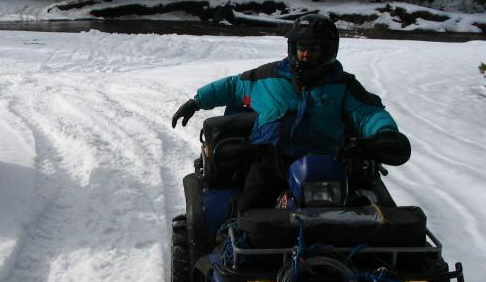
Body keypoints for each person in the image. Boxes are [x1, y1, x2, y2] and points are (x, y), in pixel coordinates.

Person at [171, 13, 404, 212]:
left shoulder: (343, 85)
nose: (305, 55)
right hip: (270, 159)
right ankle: (233, 245)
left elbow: (367, 113)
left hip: (325, 161)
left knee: (360, 210)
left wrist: (385, 133)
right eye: (301, 48)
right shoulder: (268, 77)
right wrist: (197, 101)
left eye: (313, 50)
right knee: (249, 208)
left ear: (329, 50)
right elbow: (233, 86)